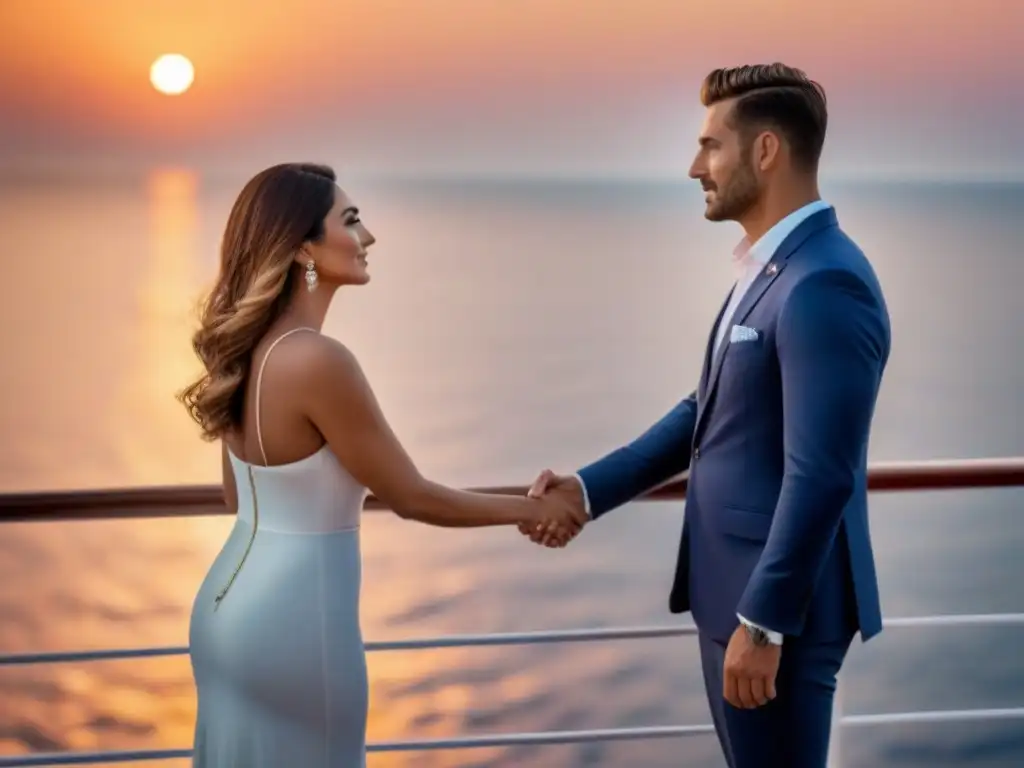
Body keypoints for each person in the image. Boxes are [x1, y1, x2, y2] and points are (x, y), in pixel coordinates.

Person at [524, 63, 891, 768]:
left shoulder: (825, 283)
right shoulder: (771, 271)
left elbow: (821, 475)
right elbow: (709, 411)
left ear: (765, 152)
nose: (696, 167)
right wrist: (588, 490)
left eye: (711, 146)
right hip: (734, 597)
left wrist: (765, 621)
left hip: (777, 611)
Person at [178, 163, 586, 767]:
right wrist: (537, 509)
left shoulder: (245, 353)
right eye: (350, 220)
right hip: (298, 623)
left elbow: (238, 499)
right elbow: (414, 497)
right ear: (302, 249)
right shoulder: (318, 360)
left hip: (222, 613)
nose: (368, 236)